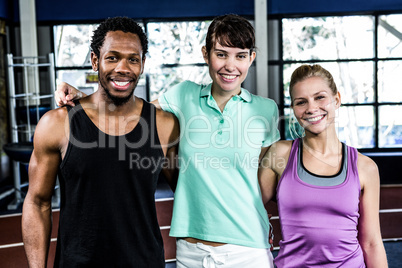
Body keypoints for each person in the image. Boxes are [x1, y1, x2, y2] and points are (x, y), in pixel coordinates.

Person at [56, 14, 280, 267]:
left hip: (248, 247)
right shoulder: (182, 94)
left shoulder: (266, 110)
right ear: (205, 54)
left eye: (240, 56)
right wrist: (85, 97)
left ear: (251, 58)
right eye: (221, 54)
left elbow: (262, 184)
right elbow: (128, 114)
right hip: (191, 249)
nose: (231, 66)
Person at [22, 16, 180, 267]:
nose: (123, 68)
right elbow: (37, 202)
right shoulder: (57, 124)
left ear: (143, 63)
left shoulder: (163, 125)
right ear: (95, 60)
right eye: (112, 57)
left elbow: (187, 193)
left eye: (133, 59)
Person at [259, 64, 388, 267]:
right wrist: (258, 225)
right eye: (301, 102)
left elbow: (372, 243)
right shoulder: (280, 154)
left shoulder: (365, 167)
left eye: (320, 97)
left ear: (336, 100)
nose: (311, 108)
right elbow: (247, 206)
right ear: (294, 109)